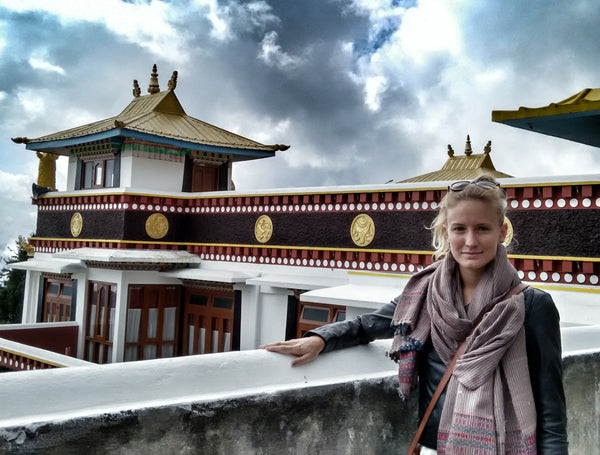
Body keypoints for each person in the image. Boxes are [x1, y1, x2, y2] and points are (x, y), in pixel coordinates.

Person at [261, 175, 568, 454]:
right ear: (447, 232)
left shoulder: (533, 306)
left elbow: (551, 408)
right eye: (460, 229)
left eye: (483, 229)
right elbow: (369, 325)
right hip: (434, 447)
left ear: (501, 232)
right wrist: (320, 339)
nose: (471, 241)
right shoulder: (425, 294)